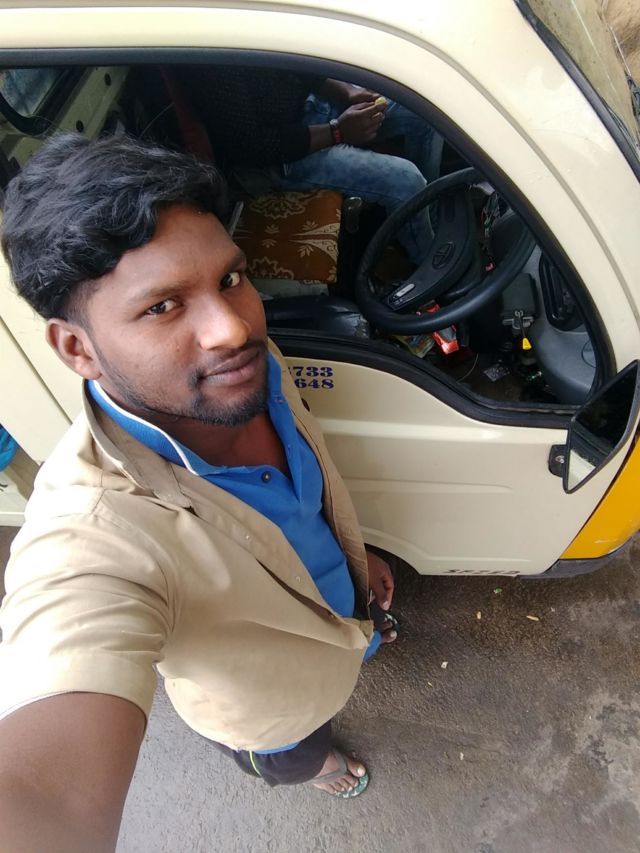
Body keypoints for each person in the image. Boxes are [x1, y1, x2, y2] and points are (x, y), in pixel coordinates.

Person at [0, 133, 398, 851]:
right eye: (162, 307)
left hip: (342, 618)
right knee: (295, 755)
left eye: (231, 278)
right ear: (77, 348)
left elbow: (299, 502)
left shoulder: (241, 368)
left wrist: (351, 559)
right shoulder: (92, 535)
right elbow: (46, 792)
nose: (232, 327)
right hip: (272, 714)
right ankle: (315, 770)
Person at [176, 66, 443, 262]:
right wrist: (337, 132)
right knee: (405, 180)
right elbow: (250, 145)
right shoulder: (215, 63)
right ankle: (428, 263)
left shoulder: (260, 18)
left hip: (308, 109)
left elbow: (295, 62)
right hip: (275, 159)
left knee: (425, 111)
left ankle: (427, 213)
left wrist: (348, 92)